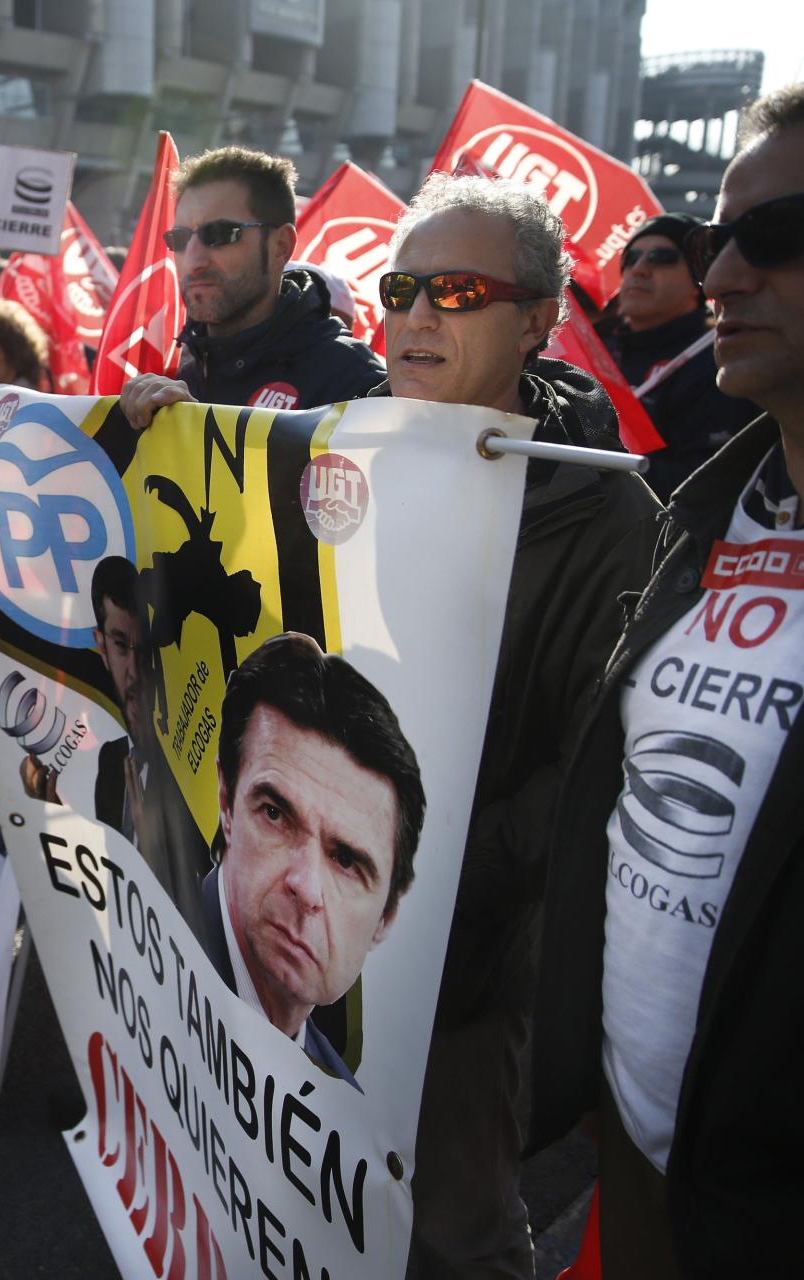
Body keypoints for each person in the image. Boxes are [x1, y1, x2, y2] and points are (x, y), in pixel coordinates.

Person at [530, 83, 804, 1278]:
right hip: (636, 1158)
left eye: (778, 236)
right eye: (710, 240)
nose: (722, 278)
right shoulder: (699, 516)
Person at [372, 172, 661, 1278]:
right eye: (400, 288)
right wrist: (155, 433)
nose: (415, 316)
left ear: (539, 320)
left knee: (453, 1223)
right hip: (311, 921)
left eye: (454, 289)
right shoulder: (324, 451)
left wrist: (433, 878)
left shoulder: (605, 509)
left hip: (465, 957)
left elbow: (592, 759)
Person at [203, 632, 425, 1089]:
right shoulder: (148, 946)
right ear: (226, 802)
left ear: (385, 918)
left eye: (346, 860)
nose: (305, 887)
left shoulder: (344, 1102)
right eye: (275, 814)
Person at [118, 145, 384, 429]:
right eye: (180, 239)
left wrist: (201, 435)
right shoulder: (171, 368)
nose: (194, 259)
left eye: (220, 234)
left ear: (281, 245)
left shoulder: (356, 385)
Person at [607, 212, 760, 500]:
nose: (639, 269)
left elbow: (707, 482)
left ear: (698, 279)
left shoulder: (719, 359)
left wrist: (598, 460)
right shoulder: (599, 349)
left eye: (661, 258)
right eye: (630, 258)